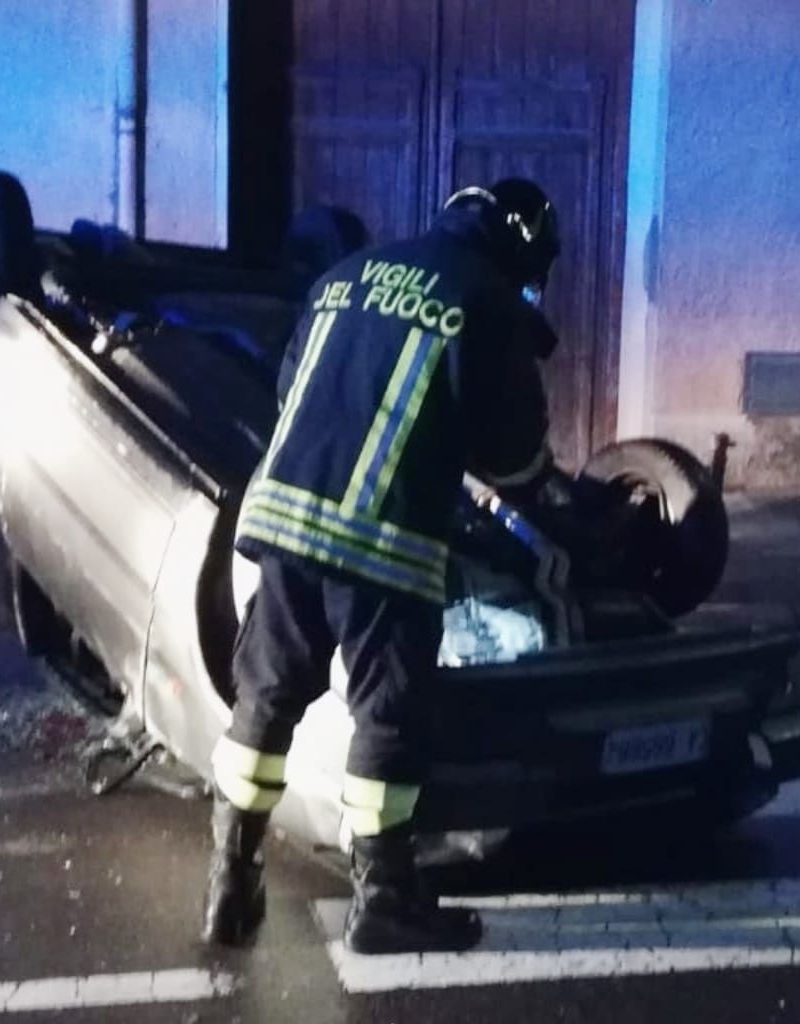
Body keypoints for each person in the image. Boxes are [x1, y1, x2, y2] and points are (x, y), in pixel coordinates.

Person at [202, 179, 562, 955]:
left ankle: (229, 884)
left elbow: (290, 383)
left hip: (282, 519)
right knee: (388, 721)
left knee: (263, 702)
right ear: (519, 251)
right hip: (381, 542)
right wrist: (547, 493)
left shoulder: (343, 277)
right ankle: (384, 901)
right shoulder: (489, 300)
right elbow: (513, 455)